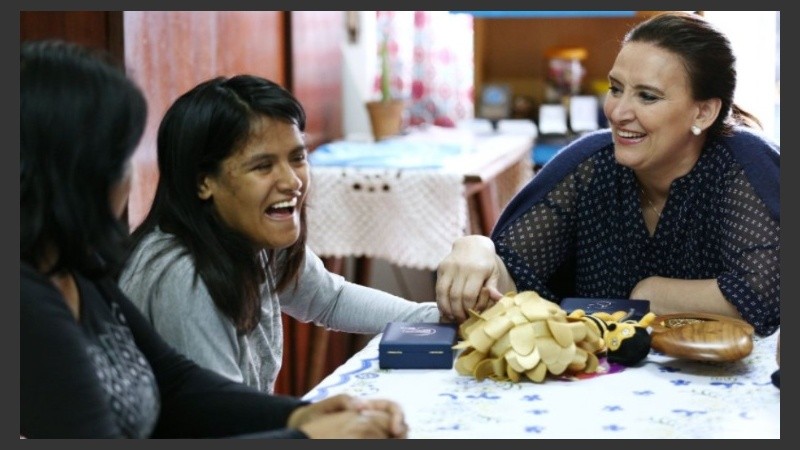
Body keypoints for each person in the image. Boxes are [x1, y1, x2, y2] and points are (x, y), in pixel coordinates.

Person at [21, 39, 408, 439]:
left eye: (297, 157)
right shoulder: (30, 304)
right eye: (117, 159)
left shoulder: (82, 272)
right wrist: (306, 435)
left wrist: (300, 416)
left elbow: (177, 385)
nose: (292, 181)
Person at [435, 11, 779, 337]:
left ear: (703, 112)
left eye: (647, 96)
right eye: (616, 89)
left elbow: (763, 295)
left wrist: (651, 293)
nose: (617, 111)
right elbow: (513, 285)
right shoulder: (588, 164)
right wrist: (478, 251)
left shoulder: (744, 163)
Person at [118, 73, 441, 394]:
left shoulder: (252, 235)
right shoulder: (185, 279)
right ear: (204, 182)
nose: (292, 181)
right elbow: (220, 420)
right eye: (262, 166)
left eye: (298, 158)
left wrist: (439, 318)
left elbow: (329, 299)